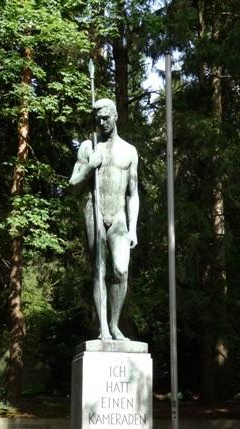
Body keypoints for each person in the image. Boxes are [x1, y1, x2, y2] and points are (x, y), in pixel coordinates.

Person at [70, 98, 139, 340]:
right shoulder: (89, 146)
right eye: (98, 118)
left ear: (116, 115)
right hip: (95, 211)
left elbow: (133, 194)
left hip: (118, 216)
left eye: (106, 117)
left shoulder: (129, 151)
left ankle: (114, 323)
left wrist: (133, 230)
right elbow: (73, 185)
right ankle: (103, 329)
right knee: (99, 269)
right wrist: (90, 167)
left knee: (120, 270)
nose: (102, 122)